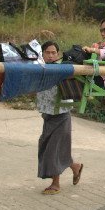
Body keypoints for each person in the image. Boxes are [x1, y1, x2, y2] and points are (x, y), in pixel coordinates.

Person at [36, 41, 83, 195]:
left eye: (53, 53)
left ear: (58, 54)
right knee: (50, 147)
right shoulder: (38, 68)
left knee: (53, 150)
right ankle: (75, 166)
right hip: (48, 116)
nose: (50, 56)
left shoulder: (63, 68)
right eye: (47, 52)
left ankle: (55, 184)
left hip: (61, 116)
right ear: (42, 54)